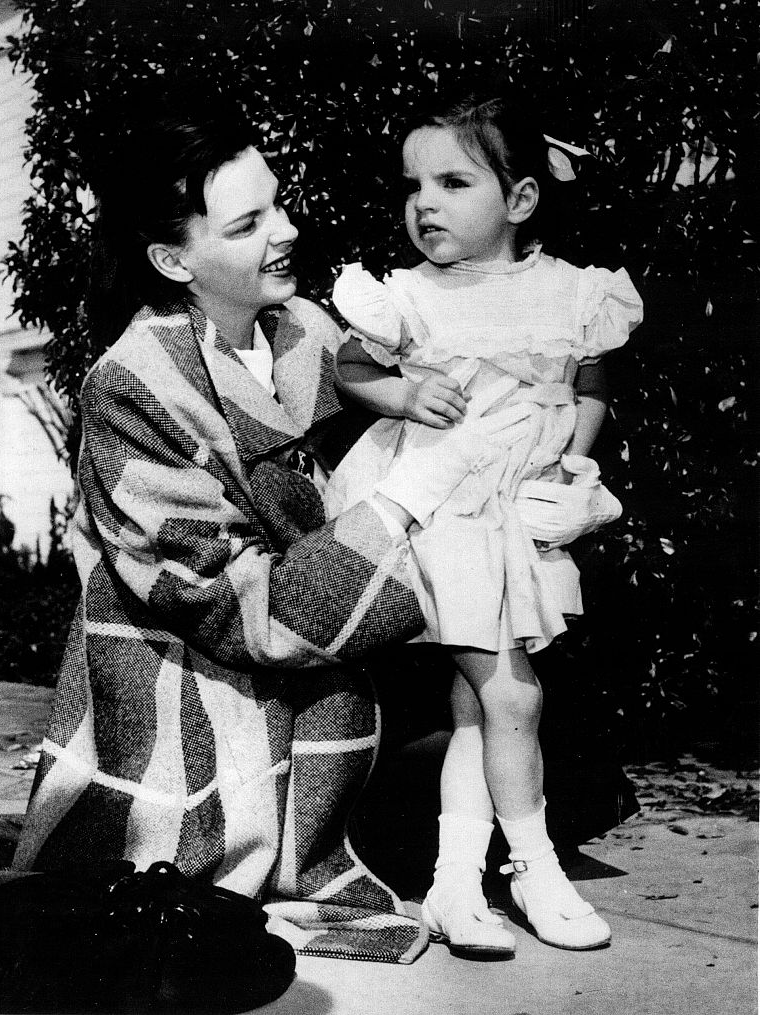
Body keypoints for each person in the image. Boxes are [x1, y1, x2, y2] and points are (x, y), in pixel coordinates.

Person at [0, 106, 542, 965]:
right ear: (173, 260)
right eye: (248, 224)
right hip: (206, 695)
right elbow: (244, 612)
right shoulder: (132, 385)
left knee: (531, 739)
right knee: (178, 891)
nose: (286, 231)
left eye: (278, 204)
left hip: (341, 670)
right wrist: (419, 487)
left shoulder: (310, 332)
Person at [325, 95, 643, 957]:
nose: (424, 203)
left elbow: (589, 383)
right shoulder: (411, 297)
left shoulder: (572, 292)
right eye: (412, 185)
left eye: (453, 182)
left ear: (521, 199)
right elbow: (352, 365)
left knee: (475, 709)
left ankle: (456, 883)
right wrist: (404, 393)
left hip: (521, 516)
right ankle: (535, 867)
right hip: (445, 512)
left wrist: (572, 464)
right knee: (513, 695)